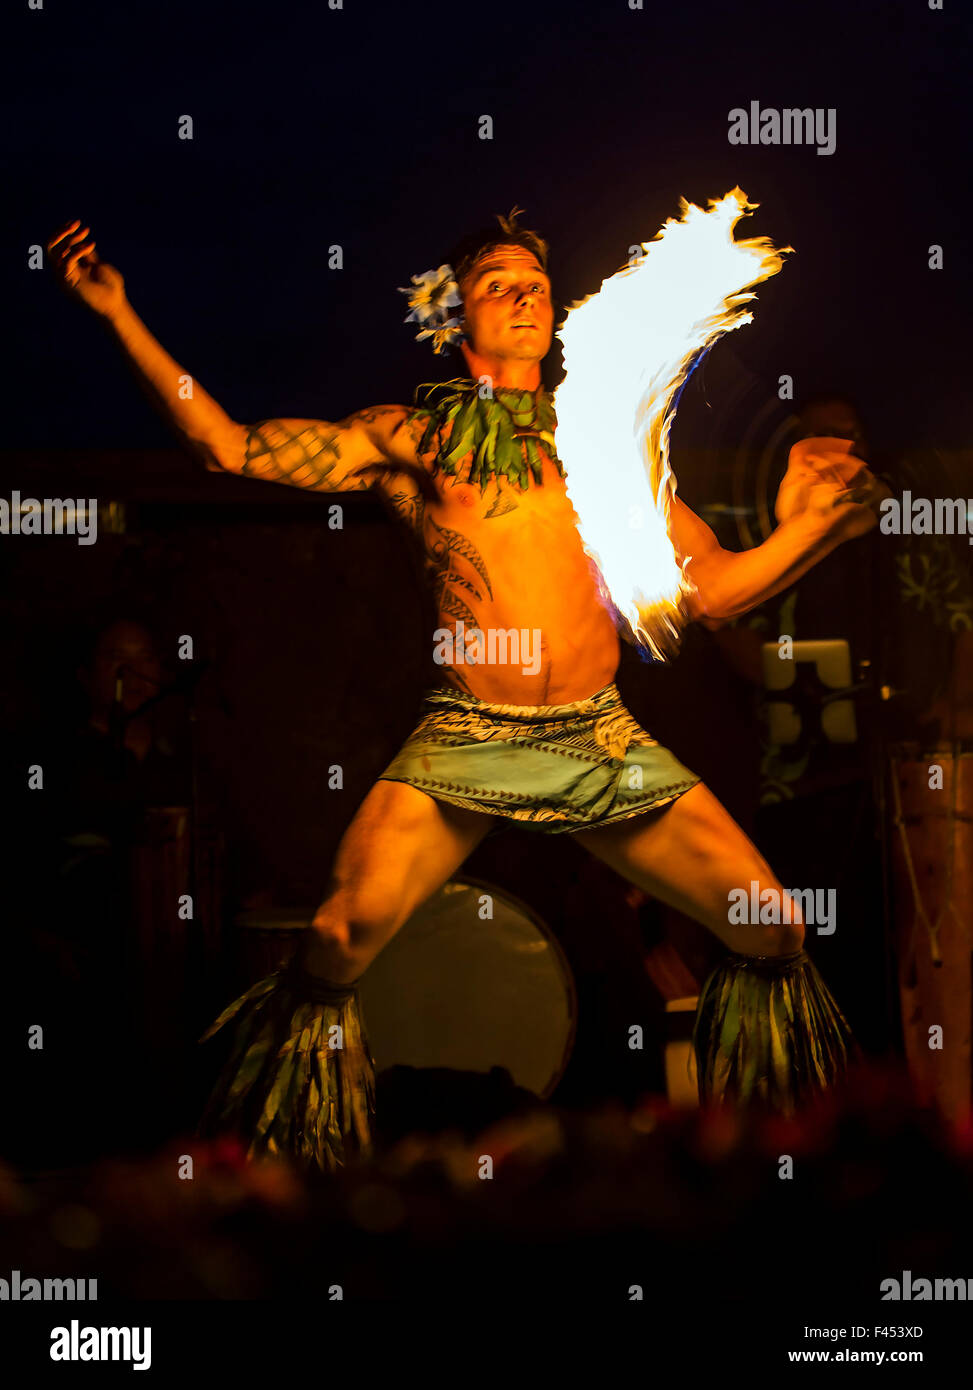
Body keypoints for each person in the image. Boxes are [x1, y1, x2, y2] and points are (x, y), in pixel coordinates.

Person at [47, 209, 891, 1169]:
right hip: (465, 739)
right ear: (457, 324)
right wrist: (117, 314)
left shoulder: (607, 446)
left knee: (773, 929)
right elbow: (228, 447)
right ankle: (287, 1173)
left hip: (598, 744)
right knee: (336, 934)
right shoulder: (410, 438)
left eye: (534, 279)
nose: (525, 291)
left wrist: (808, 529)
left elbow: (707, 590)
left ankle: (772, 1171)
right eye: (497, 282)